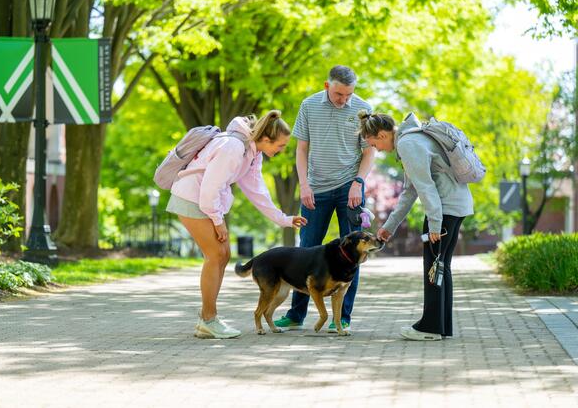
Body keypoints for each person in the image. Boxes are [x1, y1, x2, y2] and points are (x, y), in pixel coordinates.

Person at [167, 110, 307, 339]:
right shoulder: (233, 147)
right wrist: (218, 221)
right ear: (265, 139)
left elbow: (257, 191)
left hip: (204, 201)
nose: (281, 151)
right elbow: (210, 188)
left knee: (223, 254)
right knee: (215, 255)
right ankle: (208, 320)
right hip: (192, 198)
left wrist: (284, 219)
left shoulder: (252, 153)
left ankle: (207, 318)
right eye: (280, 146)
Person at [274, 65, 375, 333]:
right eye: (339, 94)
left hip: (349, 189)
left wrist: (358, 182)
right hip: (315, 189)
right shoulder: (308, 106)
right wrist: (304, 185)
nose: (345, 100)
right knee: (305, 249)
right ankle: (296, 314)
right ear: (326, 86)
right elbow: (302, 149)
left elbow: (368, 153)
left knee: (355, 253)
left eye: (349, 94)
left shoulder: (363, 108)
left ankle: (341, 318)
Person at [358, 111, 473, 341]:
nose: (377, 150)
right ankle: (442, 325)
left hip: (444, 209)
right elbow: (411, 191)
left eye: (374, 144)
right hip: (454, 205)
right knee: (441, 267)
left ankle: (430, 328)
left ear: (382, 134)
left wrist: (434, 224)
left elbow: (426, 187)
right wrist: (389, 226)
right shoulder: (413, 138)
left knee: (434, 267)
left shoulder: (408, 144)